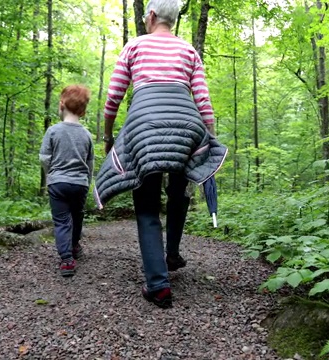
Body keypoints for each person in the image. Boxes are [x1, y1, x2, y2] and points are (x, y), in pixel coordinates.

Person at [93, 0, 227, 308]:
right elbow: (203, 101)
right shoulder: (189, 51)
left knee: (147, 205)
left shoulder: (135, 46)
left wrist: (109, 135)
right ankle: (172, 255)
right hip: (187, 126)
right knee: (178, 193)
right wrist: (209, 138)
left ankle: (158, 285)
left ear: (151, 16)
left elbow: (113, 96)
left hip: (144, 126)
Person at [40, 85, 94, 277]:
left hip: (58, 182)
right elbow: (89, 162)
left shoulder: (53, 131)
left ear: (62, 104)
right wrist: (87, 180)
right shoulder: (87, 134)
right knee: (77, 215)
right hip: (80, 183)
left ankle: (66, 259)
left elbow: (45, 158)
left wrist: (50, 175)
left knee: (62, 220)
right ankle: (75, 246)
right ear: (83, 110)